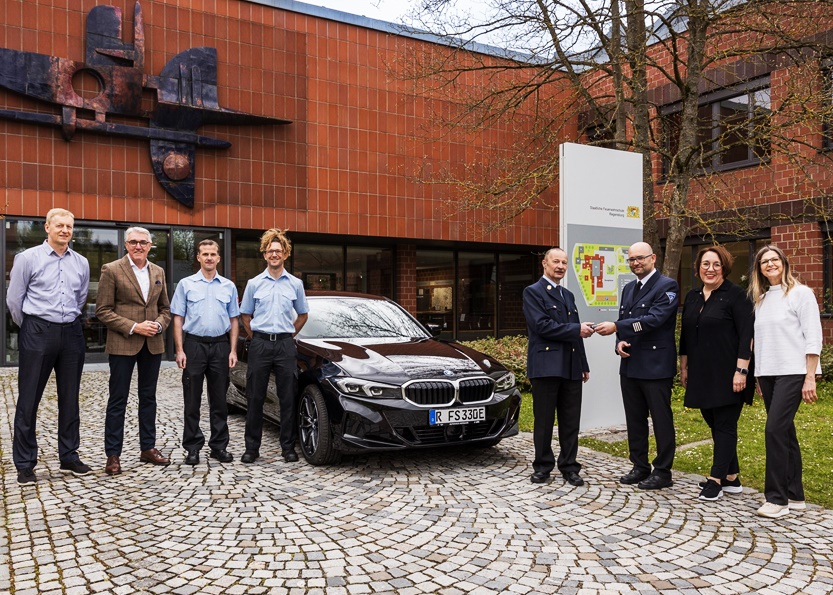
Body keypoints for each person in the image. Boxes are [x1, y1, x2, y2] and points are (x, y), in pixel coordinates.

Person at [6, 208, 92, 485]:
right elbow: (14, 301)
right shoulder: (27, 258)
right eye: (59, 225)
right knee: (29, 398)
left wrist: (64, 323)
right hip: (37, 331)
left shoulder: (81, 262)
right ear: (47, 227)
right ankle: (25, 463)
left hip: (72, 333)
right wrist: (32, 327)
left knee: (70, 398)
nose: (65, 230)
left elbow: (80, 298)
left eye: (69, 226)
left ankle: (69, 456)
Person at [594, 241, 678, 490]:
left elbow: (654, 320)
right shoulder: (629, 288)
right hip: (631, 364)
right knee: (634, 419)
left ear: (653, 258)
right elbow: (625, 319)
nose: (636, 263)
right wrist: (620, 342)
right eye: (631, 260)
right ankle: (640, 465)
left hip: (655, 365)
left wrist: (618, 329)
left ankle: (663, 471)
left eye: (640, 258)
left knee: (661, 420)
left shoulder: (667, 286)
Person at [749, 245, 822, 518]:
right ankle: (795, 495)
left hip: (793, 372)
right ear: (759, 269)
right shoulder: (762, 298)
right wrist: (758, 376)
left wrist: (810, 377)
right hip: (768, 373)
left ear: (784, 263)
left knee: (774, 430)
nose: (770, 264)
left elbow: (813, 336)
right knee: (785, 433)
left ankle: (777, 499)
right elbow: (762, 342)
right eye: (764, 261)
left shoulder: (801, 294)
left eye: (774, 259)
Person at [679, 246, 754, 501]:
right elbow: (686, 335)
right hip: (701, 372)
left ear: (724, 267)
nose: (710, 269)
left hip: (729, 372)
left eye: (716, 265)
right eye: (705, 264)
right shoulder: (692, 296)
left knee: (724, 424)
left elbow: (747, 335)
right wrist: (684, 366)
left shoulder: (736, 296)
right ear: (698, 266)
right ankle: (732, 477)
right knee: (713, 422)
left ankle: (716, 480)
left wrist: (741, 371)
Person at [96, 226, 172, 475]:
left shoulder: (158, 271)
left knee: (148, 398)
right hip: (122, 344)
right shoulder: (112, 269)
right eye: (133, 242)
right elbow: (103, 311)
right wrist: (134, 327)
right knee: (118, 400)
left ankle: (147, 448)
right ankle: (113, 455)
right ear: (126, 244)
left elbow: (166, 309)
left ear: (150, 246)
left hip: (152, 345)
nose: (138, 246)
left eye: (143, 242)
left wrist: (159, 325)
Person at [522, 247, 594, 486]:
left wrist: (583, 364)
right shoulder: (533, 293)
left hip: (571, 366)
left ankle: (569, 466)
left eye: (564, 262)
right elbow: (542, 326)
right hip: (546, 366)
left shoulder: (568, 296)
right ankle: (542, 466)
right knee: (544, 421)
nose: (561, 266)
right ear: (545, 263)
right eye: (556, 261)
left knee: (571, 420)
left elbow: (577, 334)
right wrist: (577, 329)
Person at [239, 229, 309, 464]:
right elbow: (245, 315)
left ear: (285, 254)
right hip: (260, 344)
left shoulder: (295, 284)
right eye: (270, 251)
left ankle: (288, 448)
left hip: (285, 346)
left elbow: (302, 314)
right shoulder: (254, 283)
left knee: (287, 398)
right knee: (255, 397)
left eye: (278, 251)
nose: (274, 254)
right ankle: (251, 449)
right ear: (265, 254)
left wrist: (289, 335)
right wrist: (257, 337)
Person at [170, 240, 240, 465]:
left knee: (219, 400)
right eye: (205, 254)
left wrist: (233, 350)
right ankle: (192, 447)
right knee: (192, 399)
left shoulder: (228, 286)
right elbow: (178, 318)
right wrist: (179, 350)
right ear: (198, 258)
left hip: (220, 346)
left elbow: (234, 320)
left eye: (213, 254)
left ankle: (219, 446)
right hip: (194, 347)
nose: (209, 258)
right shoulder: (186, 284)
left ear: (219, 258)